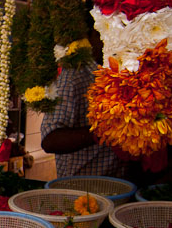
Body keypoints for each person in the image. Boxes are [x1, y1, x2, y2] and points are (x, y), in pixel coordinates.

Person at [40, 45, 126, 178]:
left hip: (121, 181)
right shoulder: (74, 76)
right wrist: (104, 131)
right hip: (83, 187)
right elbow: (50, 141)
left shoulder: (125, 69)